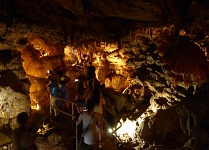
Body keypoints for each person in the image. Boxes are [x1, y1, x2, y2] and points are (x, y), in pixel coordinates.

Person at [92, 84, 106, 148]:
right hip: (100, 113)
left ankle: (92, 141)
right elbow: (104, 104)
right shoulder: (100, 97)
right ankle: (100, 143)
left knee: (94, 127)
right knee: (100, 128)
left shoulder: (92, 97)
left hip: (94, 113)